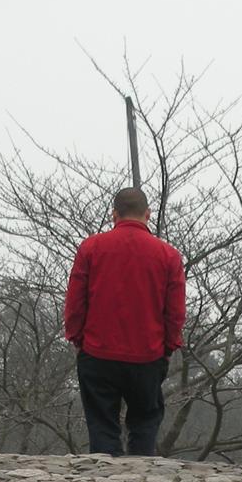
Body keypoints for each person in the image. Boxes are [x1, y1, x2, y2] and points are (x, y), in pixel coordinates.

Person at [64, 187, 187, 456]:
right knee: (144, 422)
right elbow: (175, 312)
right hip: (147, 355)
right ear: (148, 214)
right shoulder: (168, 256)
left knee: (102, 425)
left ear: (114, 215)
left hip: (98, 352)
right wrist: (167, 347)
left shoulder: (91, 248)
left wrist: (77, 338)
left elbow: (75, 302)